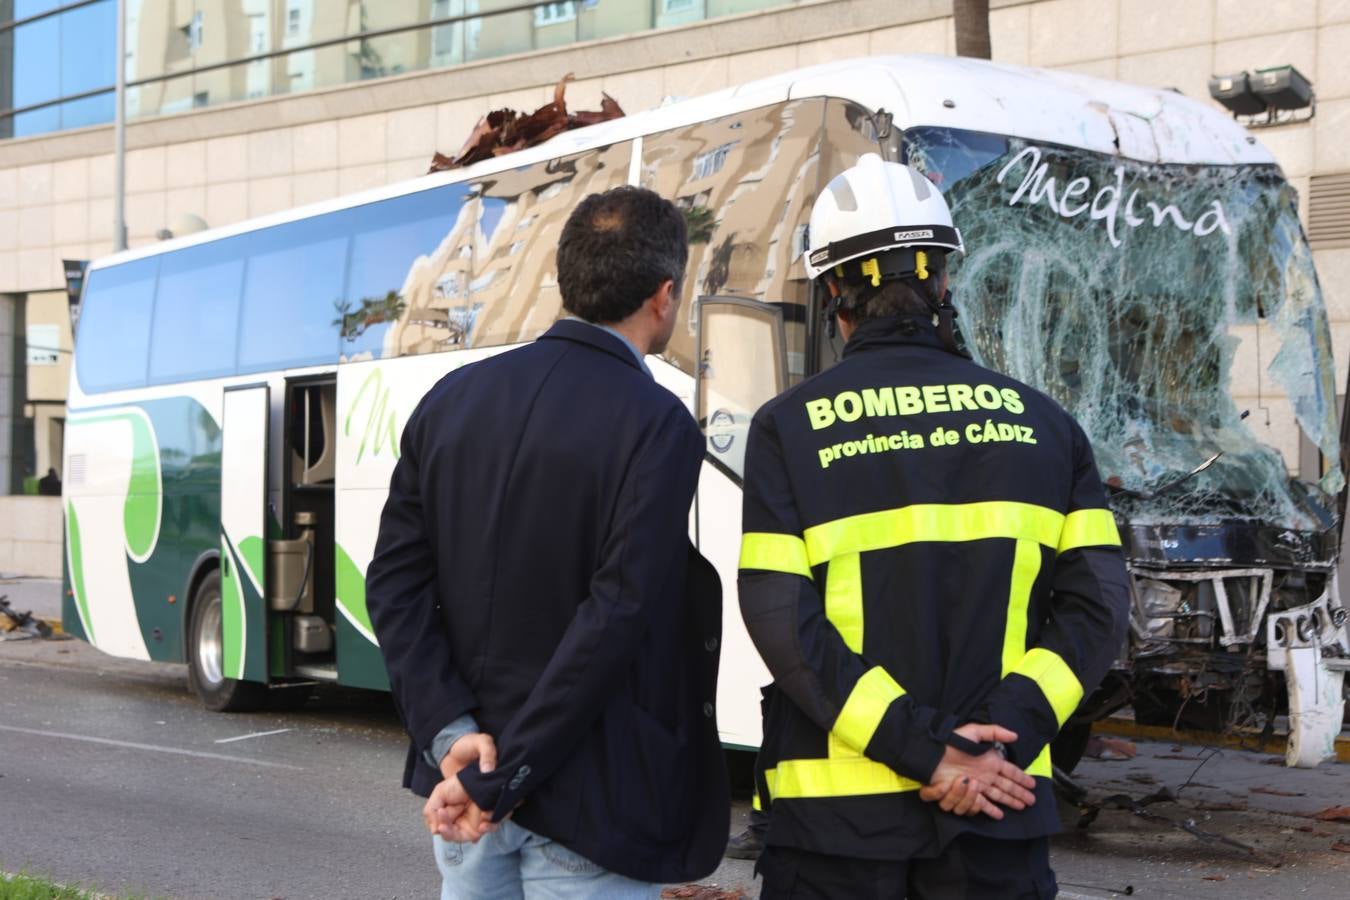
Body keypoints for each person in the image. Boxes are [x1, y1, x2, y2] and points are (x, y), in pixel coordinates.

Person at [737, 154, 1131, 898]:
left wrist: (929, 753)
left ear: (832, 293)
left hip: (835, 833)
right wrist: (995, 743)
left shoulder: (788, 429)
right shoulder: (1048, 426)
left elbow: (782, 623)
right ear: (943, 281)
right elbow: (1099, 610)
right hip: (998, 812)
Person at [366, 185, 728, 899]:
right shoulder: (657, 424)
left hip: (467, 784)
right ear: (664, 296)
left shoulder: (450, 401)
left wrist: (454, 739)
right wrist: (513, 774)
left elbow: (395, 587)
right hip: (591, 799)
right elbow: (618, 613)